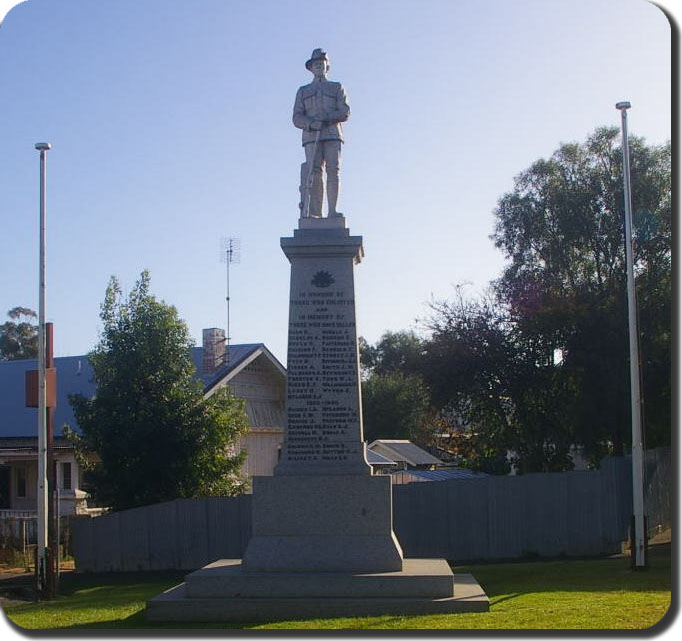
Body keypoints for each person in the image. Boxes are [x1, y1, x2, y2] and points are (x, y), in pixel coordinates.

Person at [293, 48, 350, 218]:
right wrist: (310, 123)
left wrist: (327, 117)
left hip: (332, 133)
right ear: (311, 68)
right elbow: (296, 117)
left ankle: (332, 211)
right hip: (312, 137)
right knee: (314, 172)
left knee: (333, 170)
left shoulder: (336, 87)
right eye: (315, 64)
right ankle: (315, 212)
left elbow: (345, 111)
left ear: (327, 66)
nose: (318, 66)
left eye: (321, 63)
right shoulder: (303, 91)